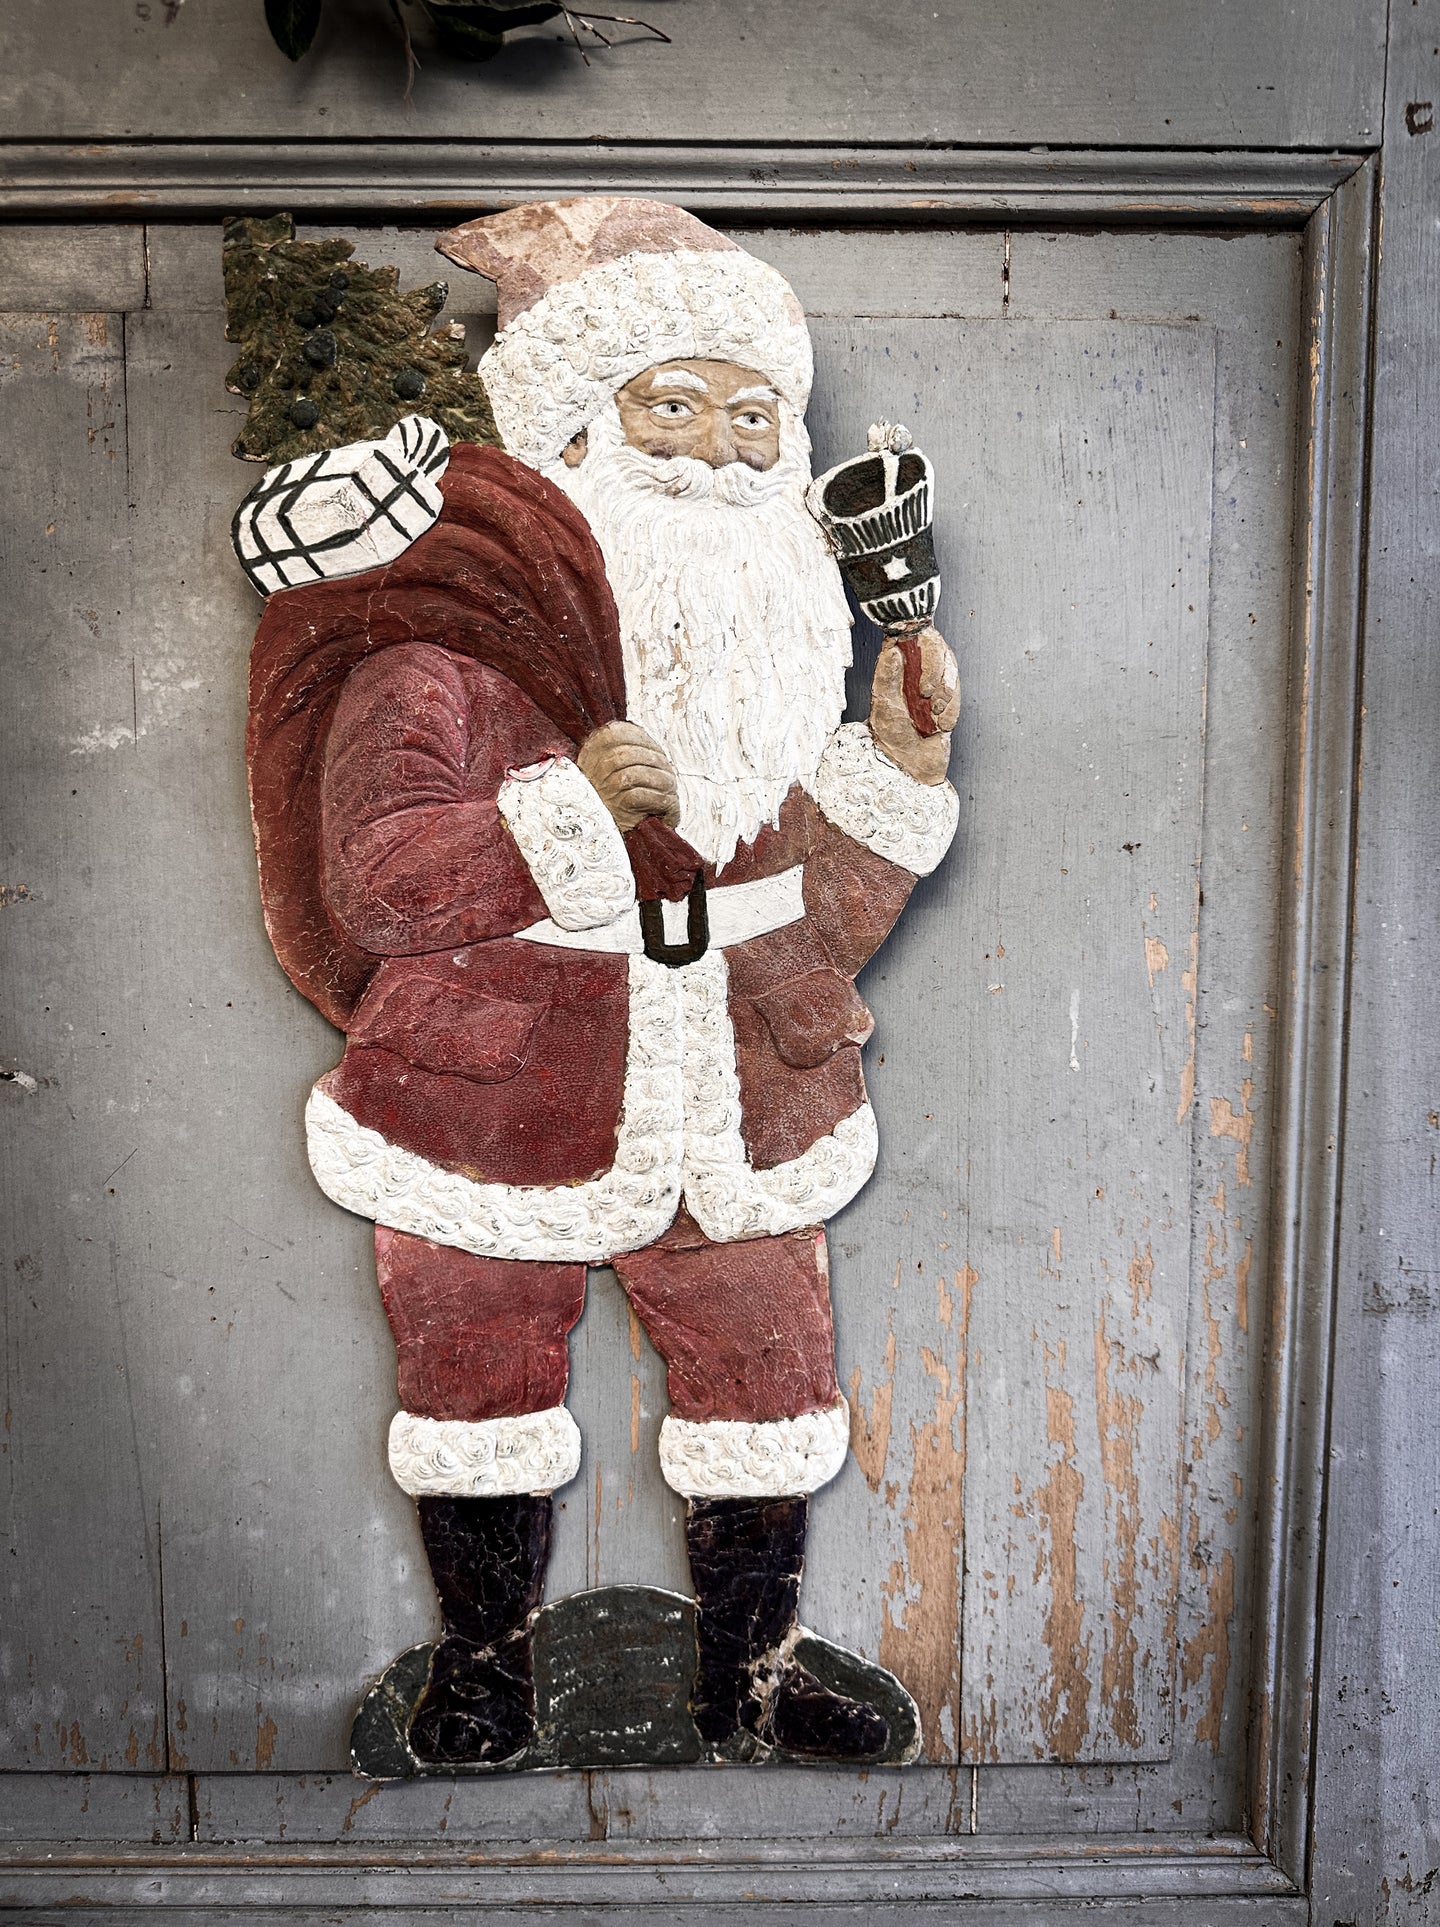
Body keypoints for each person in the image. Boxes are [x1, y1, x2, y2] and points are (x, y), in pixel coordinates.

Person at [243, 197, 960, 1768]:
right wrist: (568, 806)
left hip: (745, 1094)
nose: (718, 449)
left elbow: (816, 913)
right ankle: (484, 1684)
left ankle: (750, 1674)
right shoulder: (442, 647)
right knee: (472, 1376)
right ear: (574, 427)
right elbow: (378, 868)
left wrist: (894, 761)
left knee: (765, 1379)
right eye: (674, 405)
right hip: (492, 1091)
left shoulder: (772, 663)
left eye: (753, 414)